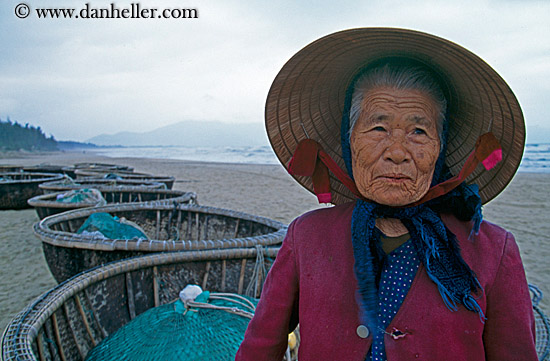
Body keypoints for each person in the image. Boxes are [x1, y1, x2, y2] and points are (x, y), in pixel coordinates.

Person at [235, 28, 537, 360]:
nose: (397, 151)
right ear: (349, 141)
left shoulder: (494, 250)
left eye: (418, 131)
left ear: (441, 147)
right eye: (378, 128)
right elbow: (259, 349)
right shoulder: (306, 236)